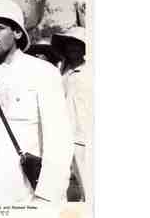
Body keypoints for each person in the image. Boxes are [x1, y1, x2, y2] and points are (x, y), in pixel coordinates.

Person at [0, 0, 74, 203]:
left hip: (26, 192)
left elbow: (59, 138)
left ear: (17, 32)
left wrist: (47, 195)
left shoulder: (43, 72)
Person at [52, 27, 90, 203]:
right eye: (69, 45)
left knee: (87, 183)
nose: (72, 49)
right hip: (63, 134)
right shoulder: (62, 71)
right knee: (64, 185)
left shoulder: (90, 71)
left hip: (83, 135)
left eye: (77, 45)